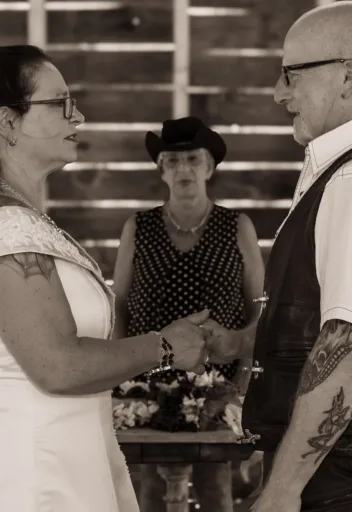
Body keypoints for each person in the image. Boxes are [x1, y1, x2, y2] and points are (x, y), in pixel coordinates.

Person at [0, 45, 213, 512]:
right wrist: (165, 347)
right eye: (60, 104)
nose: (79, 117)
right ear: (8, 121)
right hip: (33, 480)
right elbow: (58, 366)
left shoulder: (22, 220)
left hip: (72, 465)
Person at [202, 2, 352, 511]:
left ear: (348, 75)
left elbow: (347, 353)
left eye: (291, 74)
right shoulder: (351, 171)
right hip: (338, 469)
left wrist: (282, 490)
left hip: (340, 477)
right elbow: (316, 325)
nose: (279, 92)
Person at [111, 117, 265, 511]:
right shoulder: (138, 227)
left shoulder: (237, 226)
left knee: (215, 490)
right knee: (152, 491)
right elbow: (120, 305)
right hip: (149, 383)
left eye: (193, 159)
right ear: (161, 170)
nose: (184, 169)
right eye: (173, 161)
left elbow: (257, 309)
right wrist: (121, 379)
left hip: (218, 386)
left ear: (209, 167)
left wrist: (243, 381)